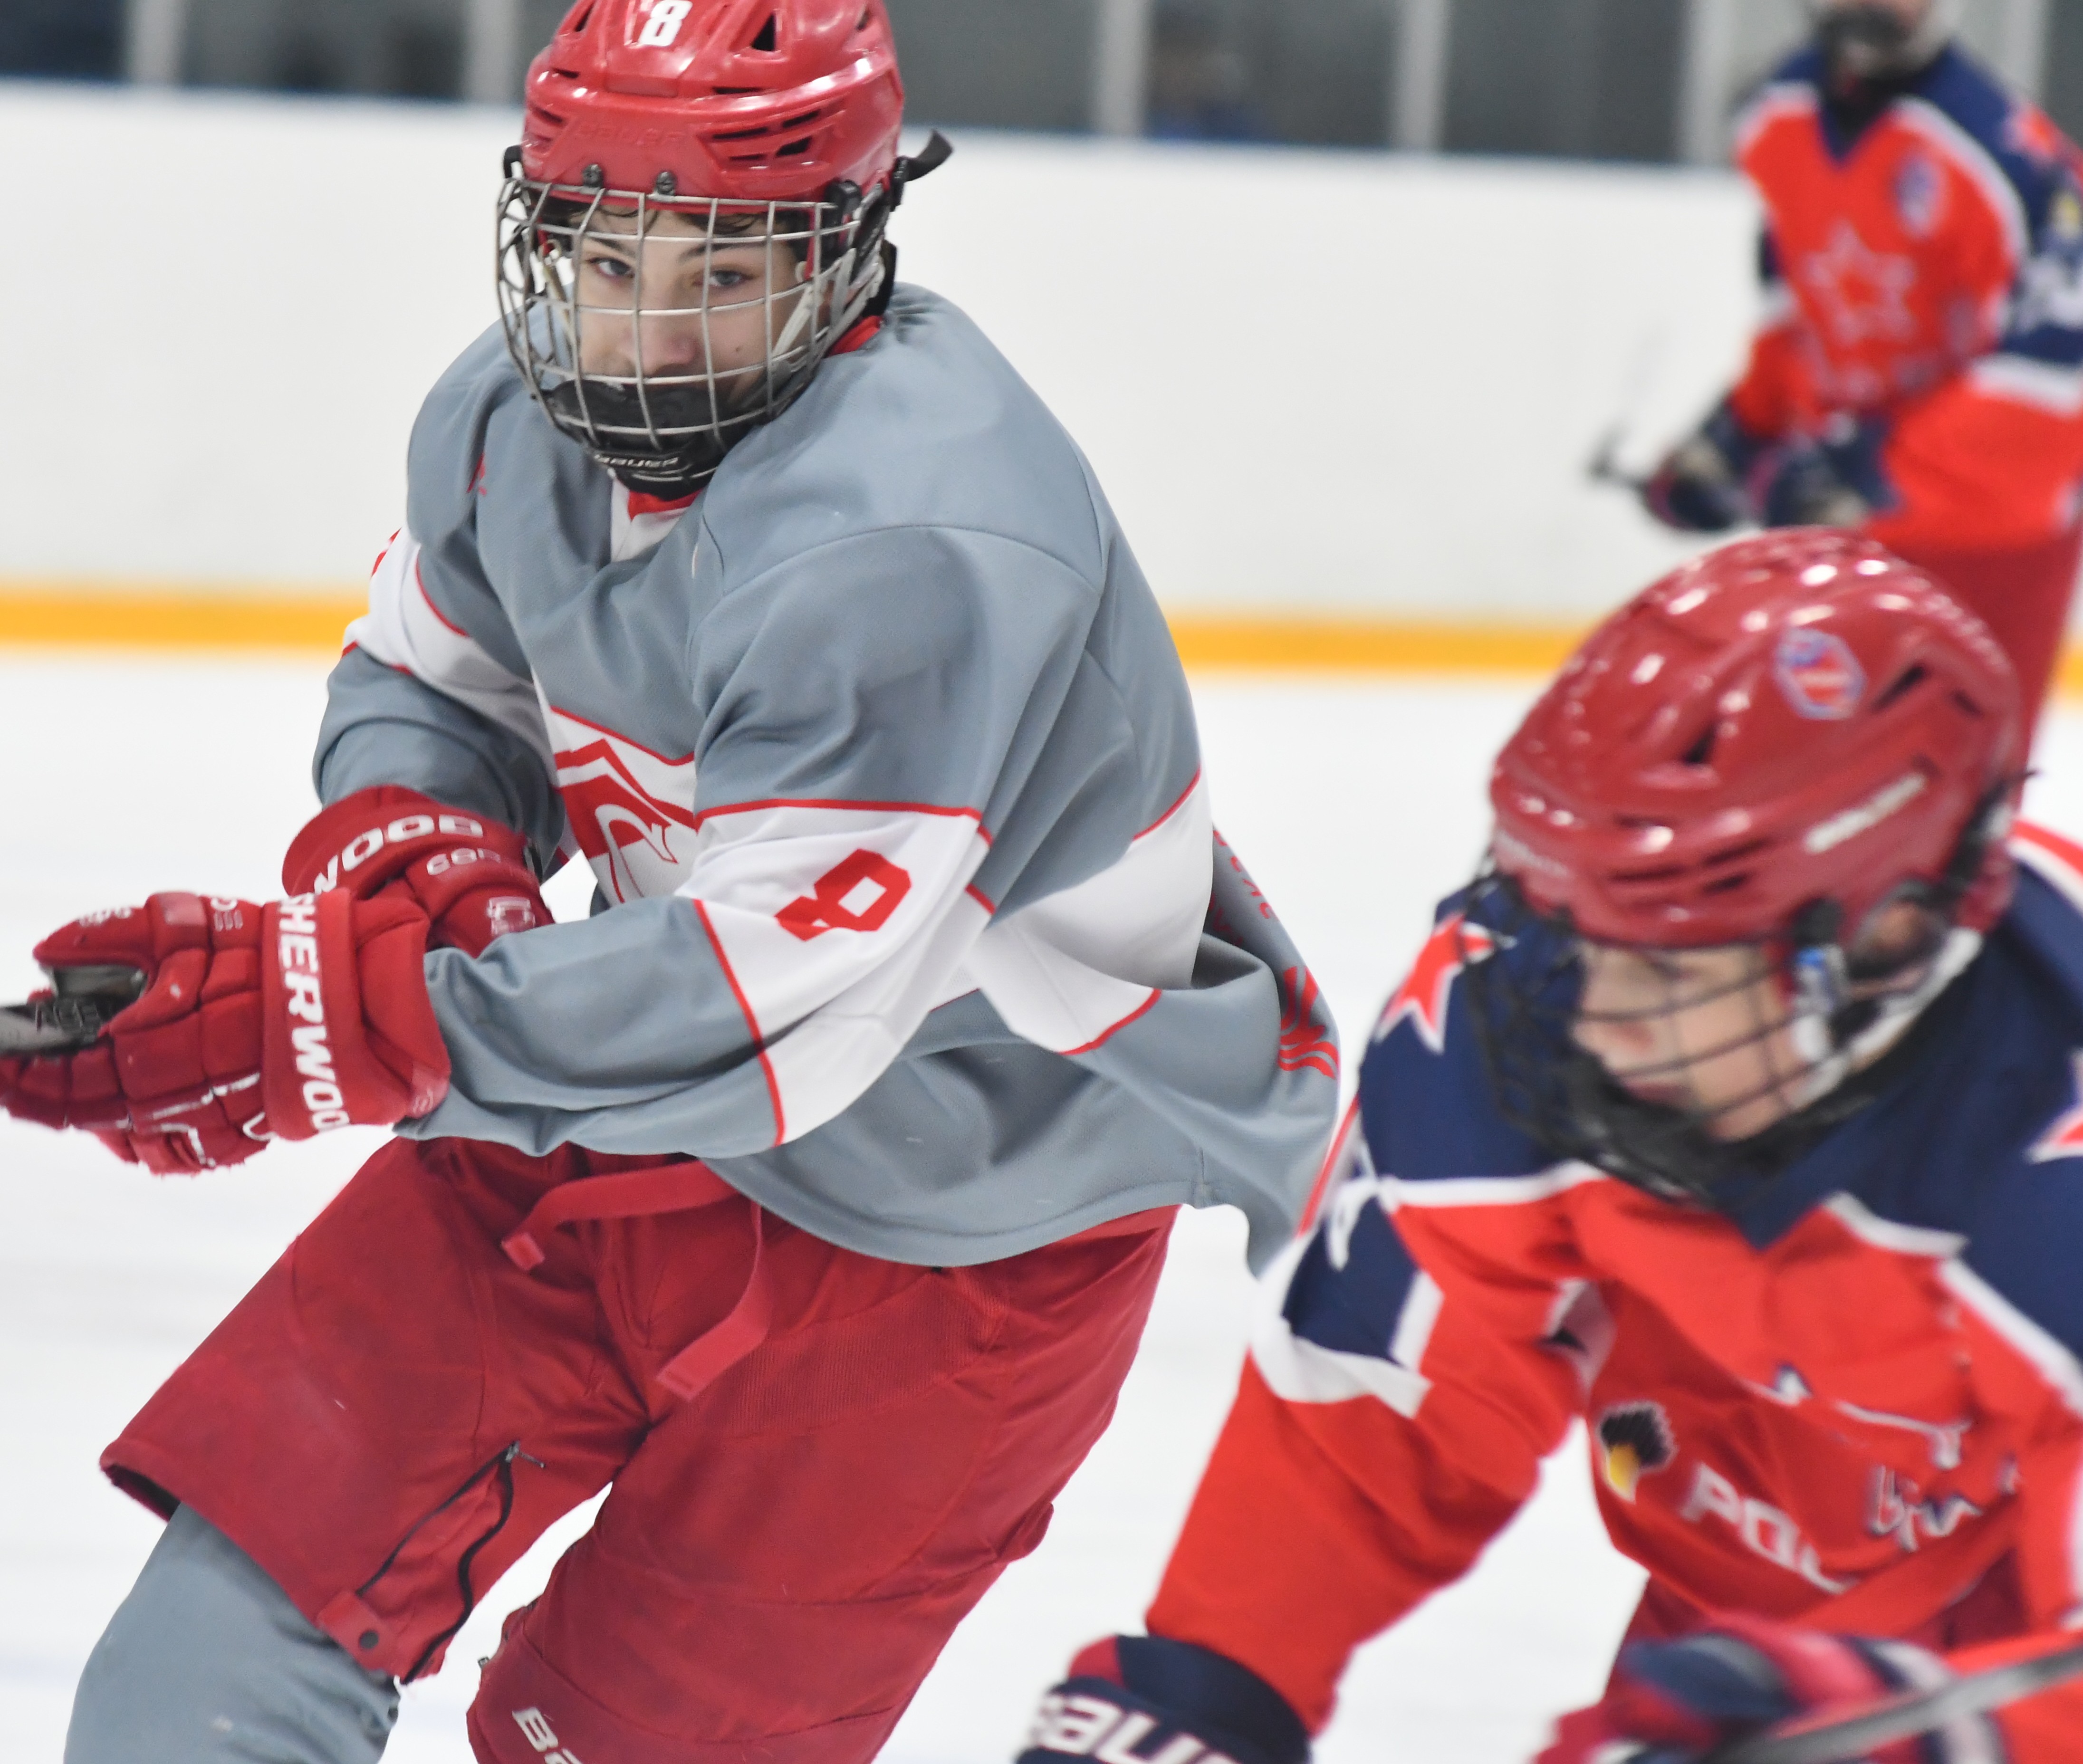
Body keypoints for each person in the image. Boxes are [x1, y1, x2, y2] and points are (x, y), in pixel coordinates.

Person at [5, 3, 1340, 1759]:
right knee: (198, 1680)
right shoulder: (505, 416)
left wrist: (343, 1014)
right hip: (589, 1104)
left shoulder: (914, 534)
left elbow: (777, 1017)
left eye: (722, 266)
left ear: (850, 243)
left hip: (953, 1253)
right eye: (600, 252)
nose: (638, 332)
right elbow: (428, 680)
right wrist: (439, 876)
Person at [1016, 529, 2083, 1764]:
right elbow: (1388, 1405)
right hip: (1745, 1652)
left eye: (1668, 959)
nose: (1590, 1011)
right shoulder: (1517, 1007)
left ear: (1889, 943)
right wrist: (1209, 1683)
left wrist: (1894, 1734)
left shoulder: (2052, 1169)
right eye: (1576, 923)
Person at [1642, 0, 2083, 736]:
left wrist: (1867, 473)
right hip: (1851, 545)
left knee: (1947, 805)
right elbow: (1801, 313)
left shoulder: (2008, 160)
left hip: (1991, 544)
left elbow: (2056, 378)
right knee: (1793, 784)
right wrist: (1736, 437)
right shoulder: (1773, 117)